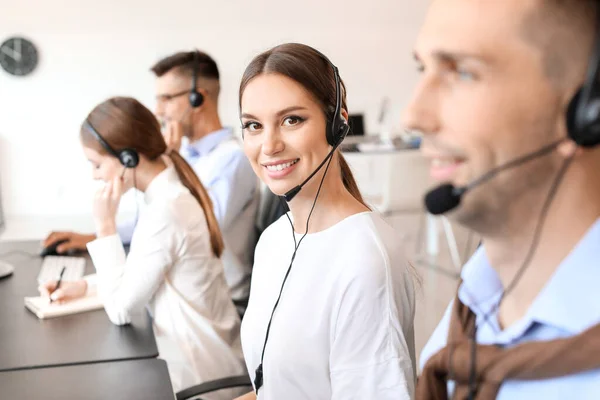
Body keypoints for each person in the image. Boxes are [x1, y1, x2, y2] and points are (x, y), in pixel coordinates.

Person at [403, 0, 600, 398]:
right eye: (423, 69)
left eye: (462, 72)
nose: (413, 116)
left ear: (587, 112)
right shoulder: (472, 305)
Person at [235, 43, 417, 400]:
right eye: (253, 125)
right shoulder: (274, 240)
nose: (268, 145)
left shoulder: (365, 260)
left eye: (292, 120)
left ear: (338, 124)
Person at [38, 97, 247, 399]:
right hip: (198, 359)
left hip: (202, 378)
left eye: (96, 165)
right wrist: (85, 285)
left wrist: (105, 226)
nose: (95, 175)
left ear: (128, 159)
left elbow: (121, 309)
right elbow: (144, 270)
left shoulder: (167, 210)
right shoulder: (167, 194)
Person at [43, 50, 259, 314]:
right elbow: (156, 246)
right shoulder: (182, 157)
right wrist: (91, 254)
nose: (157, 110)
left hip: (213, 301)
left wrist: (105, 229)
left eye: (166, 99)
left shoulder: (232, 159)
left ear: (197, 97)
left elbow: (197, 225)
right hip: (178, 288)